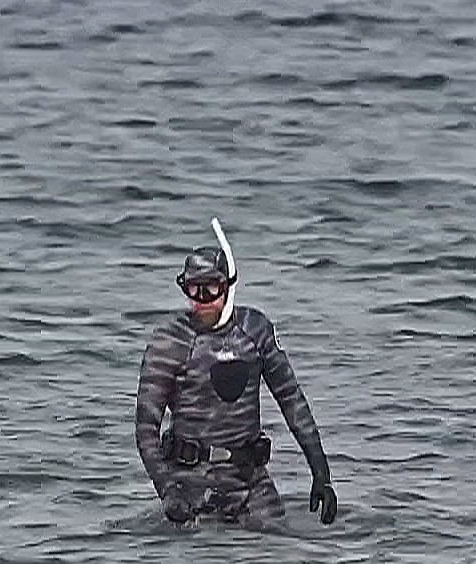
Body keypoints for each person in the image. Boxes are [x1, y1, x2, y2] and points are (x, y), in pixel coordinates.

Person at [135, 220, 336, 527]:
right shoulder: (170, 341)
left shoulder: (255, 331)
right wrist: (168, 491)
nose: (202, 300)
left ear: (228, 286)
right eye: (193, 289)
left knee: (283, 551)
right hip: (189, 481)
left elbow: (292, 400)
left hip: (250, 479)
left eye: (211, 289)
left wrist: (321, 473)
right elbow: (146, 428)